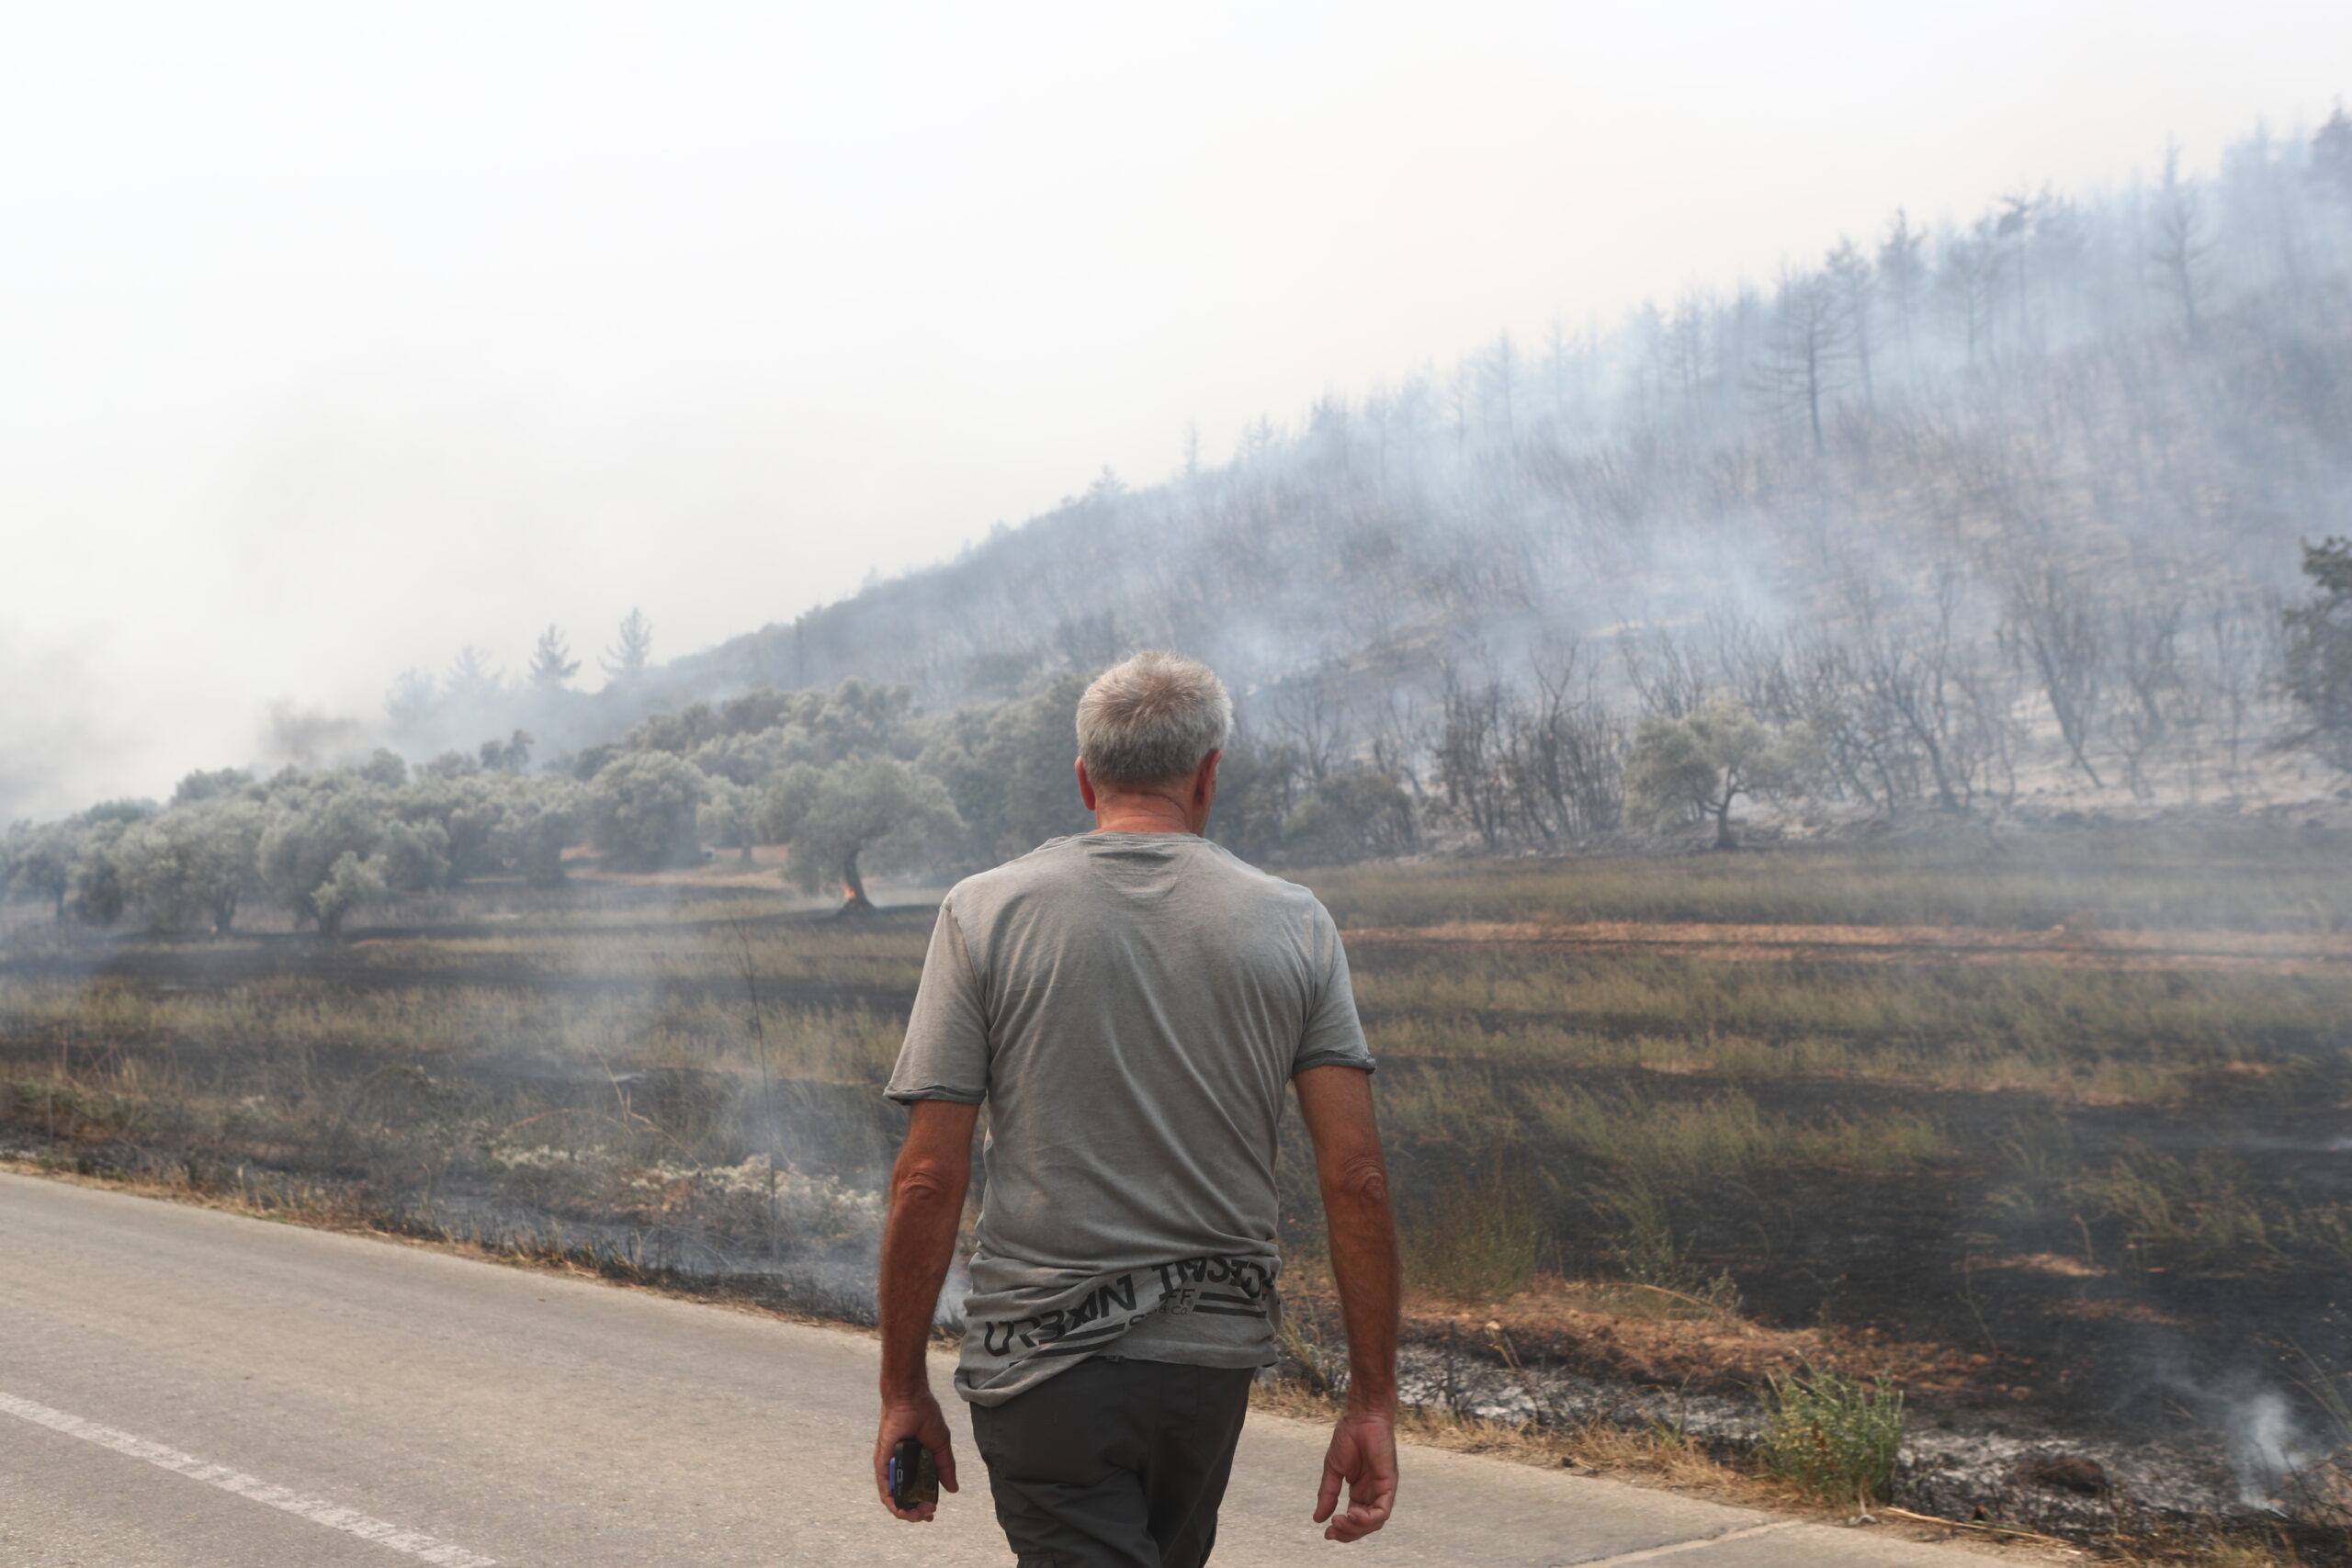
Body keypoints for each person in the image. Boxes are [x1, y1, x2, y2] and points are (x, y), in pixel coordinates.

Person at [870, 649, 1400, 1568]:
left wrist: (901, 1389)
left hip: (1040, 1371)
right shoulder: (1296, 924)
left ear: (1083, 778)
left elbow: (927, 1176)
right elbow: (1354, 1178)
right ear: (1208, 774)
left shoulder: (982, 913)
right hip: (1208, 1370)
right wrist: (1370, 1405)